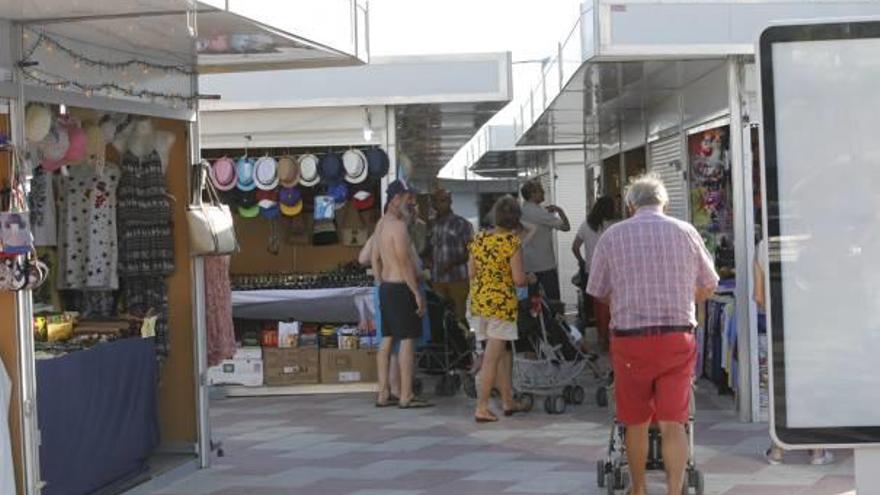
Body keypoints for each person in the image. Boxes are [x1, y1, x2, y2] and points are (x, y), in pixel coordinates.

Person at [587, 174, 719, 495]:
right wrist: (685, 298)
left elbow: (598, 290)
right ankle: (675, 489)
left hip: (631, 339)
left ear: (631, 205)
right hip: (677, 338)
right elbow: (709, 283)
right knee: (675, 420)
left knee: (636, 420)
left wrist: (625, 299)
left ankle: (640, 488)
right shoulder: (686, 232)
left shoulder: (612, 236)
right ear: (665, 203)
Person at [754, 237, 833, 466]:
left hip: (781, 328)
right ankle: (817, 450)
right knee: (814, 383)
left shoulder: (764, 245)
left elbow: (759, 296)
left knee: (782, 385)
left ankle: (778, 449)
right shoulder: (818, 242)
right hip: (816, 327)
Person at [469, 195, 530, 423]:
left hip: (480, 303)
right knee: (491, 359)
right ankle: (482, 407)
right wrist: (529, 279)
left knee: (502, 354)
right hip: (501, 306)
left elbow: (471, 273)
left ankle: (507, 401)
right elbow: (518, 279)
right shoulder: (512, 243)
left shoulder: (478, 239)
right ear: (515, 219)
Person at [371, 179, 431, 409]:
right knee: (407, 340)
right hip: (400, 287)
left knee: (386, 339)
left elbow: (375, 258)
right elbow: (405, 262)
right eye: (408, 198)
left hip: (386, 287)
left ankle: (383, 393)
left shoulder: (381, 224)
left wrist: (380, 283)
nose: (412, 202)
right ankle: (406, 395)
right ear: (396, 199)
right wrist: (416, 292)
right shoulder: (398, 227)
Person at [571, 196, 616, 350]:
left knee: (598, 307)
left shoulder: (586, 225)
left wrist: (583, 262)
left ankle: (602, 338)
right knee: (613, 305)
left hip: (592, 271)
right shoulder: (615, 226)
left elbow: (575, 247)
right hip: (612, 271)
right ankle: (612, 338)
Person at [519, 180, 570, 301]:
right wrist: (560, 211)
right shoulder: (540, 212)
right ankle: (554, 319)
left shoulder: (520, 210)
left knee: (529, 303)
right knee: (553, 302)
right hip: (544, 265)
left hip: (525, 265)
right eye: (541, 191)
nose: (544, 194)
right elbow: (566, 227)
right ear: (532, 194)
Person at [428, 189, 474, 321]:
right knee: (440, 317)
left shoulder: (462, 224)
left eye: (443, 201)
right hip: (437, 279)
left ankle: (463, 340)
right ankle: (446, 342)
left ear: (450, 201)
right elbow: (431, 249)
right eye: (436, 202)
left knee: (459, 317)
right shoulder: (433, 225)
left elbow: (471, 251)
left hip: (457, 279)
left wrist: (452, 263)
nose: (439, 204)